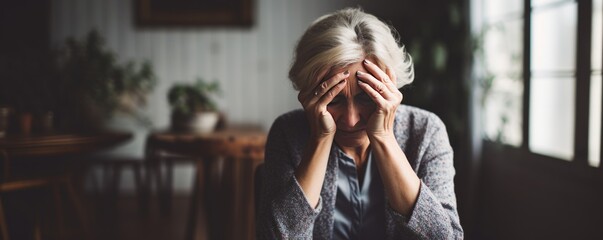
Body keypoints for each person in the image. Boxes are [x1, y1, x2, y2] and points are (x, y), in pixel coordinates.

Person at [257, 8, 463, 239]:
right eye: (334, 99)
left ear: (390, 88)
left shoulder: (425, 131)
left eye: (366, 97)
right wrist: (321, 138)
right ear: (309, 93)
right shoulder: (287, 132)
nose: (351, 119)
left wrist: (384, 137)